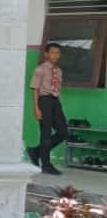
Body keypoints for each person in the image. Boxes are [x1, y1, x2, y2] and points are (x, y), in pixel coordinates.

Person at [28, 43, 66, 175]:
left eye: (57, 53)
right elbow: (35, 88)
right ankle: (46, 165)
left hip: (55, 101)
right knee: (46, 134)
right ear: (46, 54)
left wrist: (57, 104)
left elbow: (57, 87)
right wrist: (36, 107)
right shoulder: (40, 69)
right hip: (44, 101)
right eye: (52, 52)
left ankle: (36, 151)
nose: (55, 55)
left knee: (63, 132)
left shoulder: (59, 70)